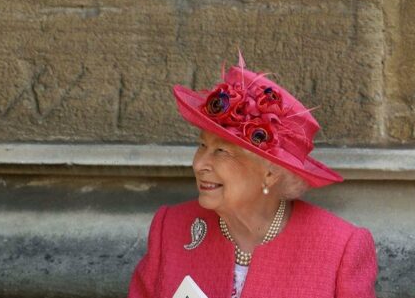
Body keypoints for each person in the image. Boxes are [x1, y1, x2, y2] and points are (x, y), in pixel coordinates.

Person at [128, 54, 377, 298]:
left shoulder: (339, 248)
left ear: (270, 172)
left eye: (222, 151)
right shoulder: (170, 228)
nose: (199, 164)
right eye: (202, 146)